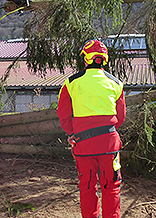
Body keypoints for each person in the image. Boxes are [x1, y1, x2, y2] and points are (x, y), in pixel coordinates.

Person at [57, 39, 126, 218]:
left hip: (82, 144)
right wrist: (107, 132)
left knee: (87, 187)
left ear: (86, 59)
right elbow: (121, 117)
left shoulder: (71, 83)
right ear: (104, 59)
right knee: (111, 187)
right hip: (109, 145)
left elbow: (63, 115)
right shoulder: (116, 83)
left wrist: (72, 133)